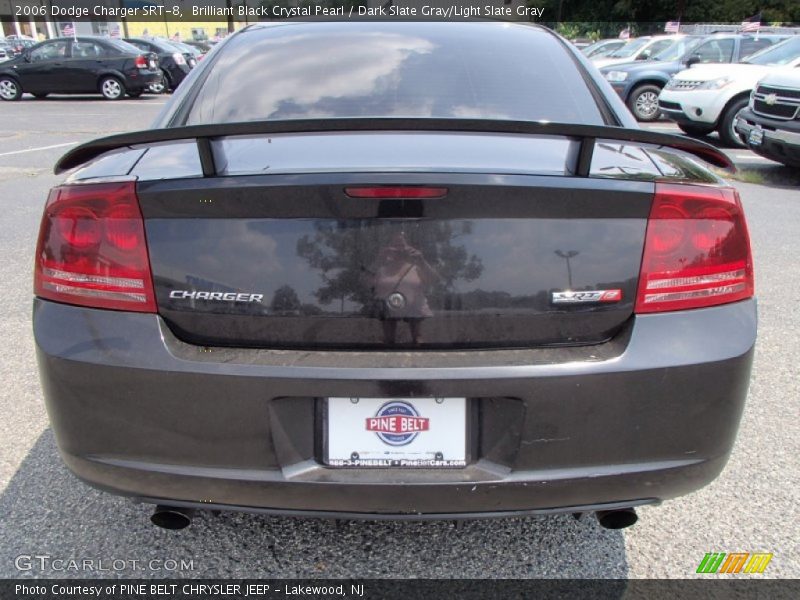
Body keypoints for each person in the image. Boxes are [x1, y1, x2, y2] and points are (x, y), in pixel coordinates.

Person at [365, 232, 439, 345]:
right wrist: (379, 259)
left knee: (419, 341)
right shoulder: (381, 269)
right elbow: (365, 283)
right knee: (388, 342)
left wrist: (421, 260)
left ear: (410, 248)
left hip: (416, 312)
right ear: (388, 248)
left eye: (402, 246)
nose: (399, 250)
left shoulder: (417, 267)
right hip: (387, 312)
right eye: (395, 246)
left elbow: (434, 281)